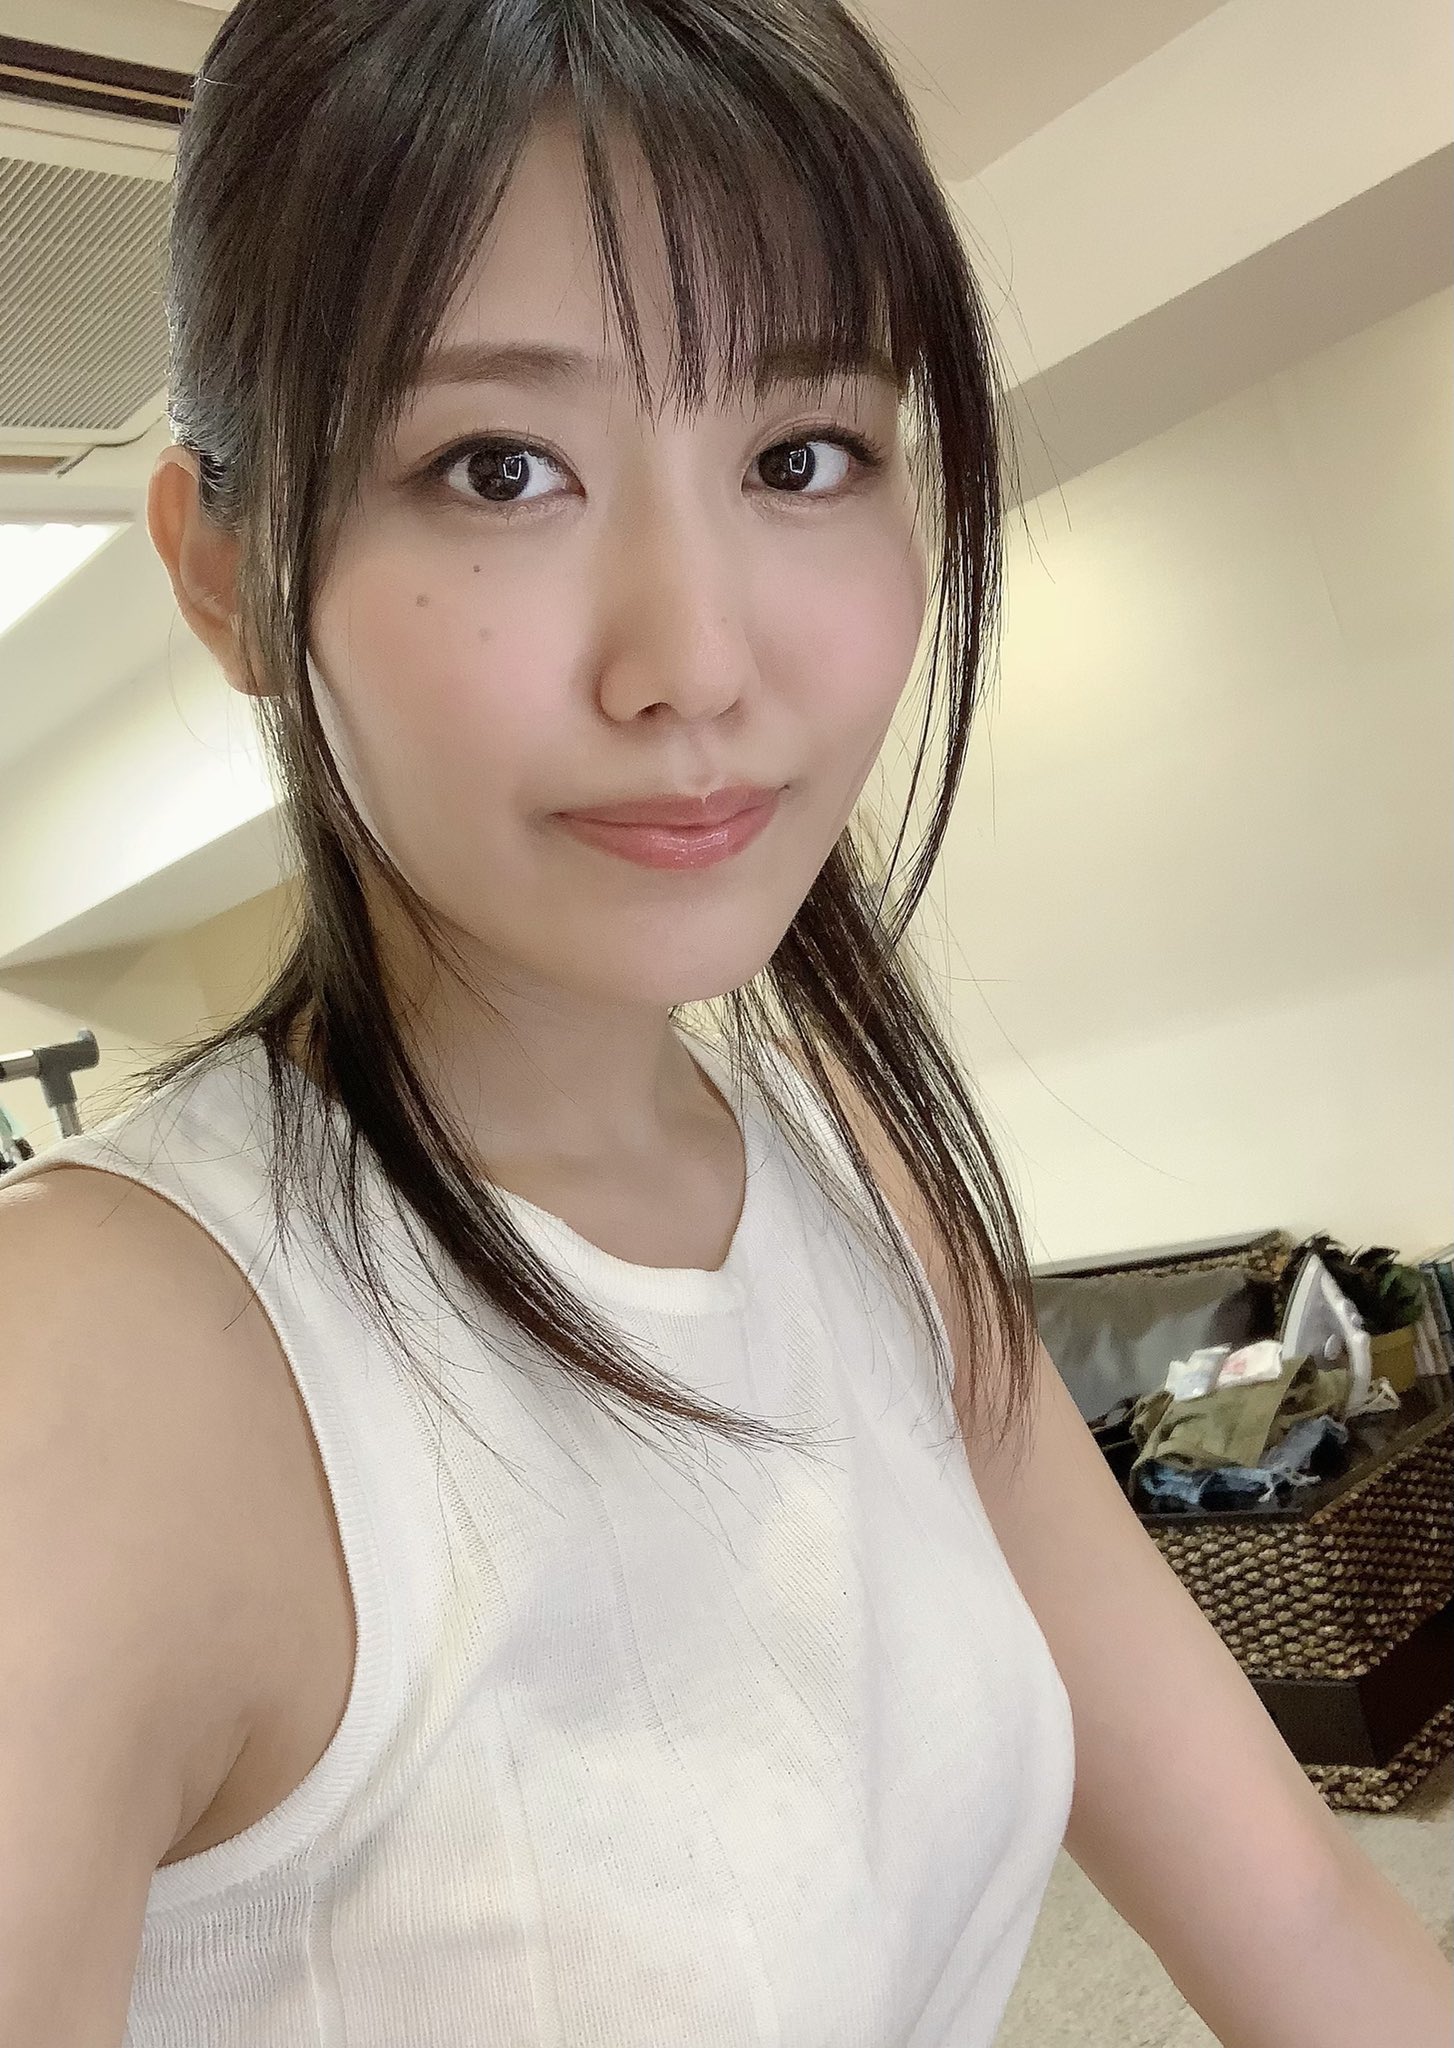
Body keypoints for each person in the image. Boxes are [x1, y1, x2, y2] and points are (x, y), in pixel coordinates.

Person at [1, 3, 1449, 2044]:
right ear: (223, 573)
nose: (694, 657)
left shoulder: (864, 1170)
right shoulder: (89, 1369)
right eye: (498, 467)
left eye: (798, 455)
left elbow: (1290, 1904)